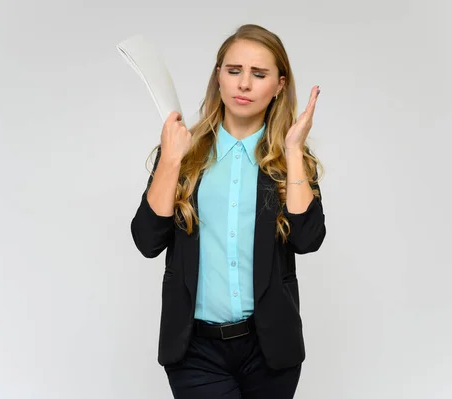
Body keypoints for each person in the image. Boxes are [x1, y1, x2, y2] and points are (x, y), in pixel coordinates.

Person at [130, 23, 326, 399]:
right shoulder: (183, 154)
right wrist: (171, 160)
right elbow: (147, 240)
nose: (244, 84)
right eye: (234, 71)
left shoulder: (291, 161)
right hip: (196, 350)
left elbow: (306, 240)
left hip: (269, 350)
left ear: (279, 85)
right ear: (218, 76)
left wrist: (295, 150)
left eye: (259, 74)